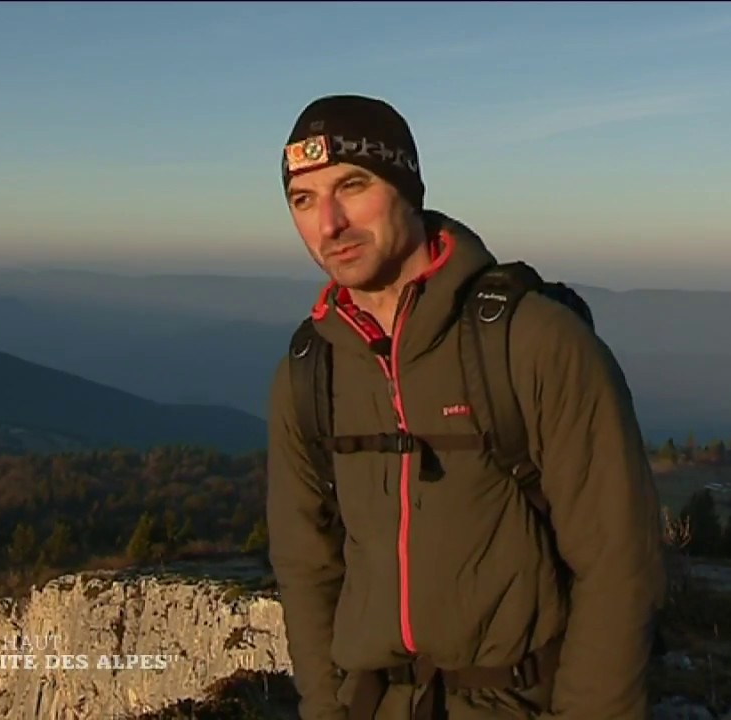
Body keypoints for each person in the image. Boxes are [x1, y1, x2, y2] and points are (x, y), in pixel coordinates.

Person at [264, 93, 667, 720]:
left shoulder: (531, 341)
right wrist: (324, 706)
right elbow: (304, 564)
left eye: (353, 185)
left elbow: (618, 564)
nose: (330, 224)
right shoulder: (309, 370)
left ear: (407, 186)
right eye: (303, 200)